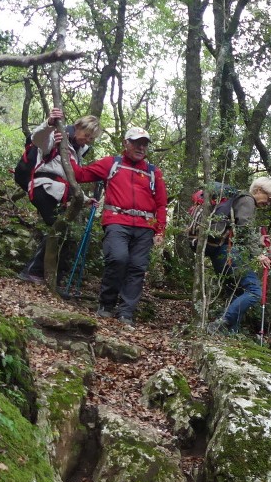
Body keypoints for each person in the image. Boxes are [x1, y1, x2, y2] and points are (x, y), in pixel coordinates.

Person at [64, 125, 168, 326]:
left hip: (145, 226)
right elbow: (81, 175)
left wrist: (160, 230)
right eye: (137, 143)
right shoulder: (112, 163)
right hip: (116, 221)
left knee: (137, 268)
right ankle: (107, 303)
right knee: (118, 259)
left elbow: (161, 204)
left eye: (144, 144)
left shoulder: (154, 172)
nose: (141, 148)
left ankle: (126, 312)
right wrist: (67, 151)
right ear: (126, 143)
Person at [18, 107, 102, 284]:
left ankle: (43, 273)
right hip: (43, 189)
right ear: (77, 127)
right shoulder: (57, 138)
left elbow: (70, 180)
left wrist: (86, 200)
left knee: (62, 231)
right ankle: (32, 271)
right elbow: (38, 138)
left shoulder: (75, 150)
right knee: (59, 228)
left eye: (91, 138)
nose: (87, 140)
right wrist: (49, 123)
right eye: (86, 135)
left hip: (56, 192)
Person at [205, 177, 271, 334]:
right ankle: (220, 324)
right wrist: (258, 255)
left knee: (238, 292)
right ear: (259, 190)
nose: (268, 204)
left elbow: (237, 229)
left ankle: (231, 334)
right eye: (269, 199)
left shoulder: (237, 199)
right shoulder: (247, 199)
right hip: (228, 251)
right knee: (254, 291)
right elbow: (243, 230)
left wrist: (258, 241)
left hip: (218, 252)